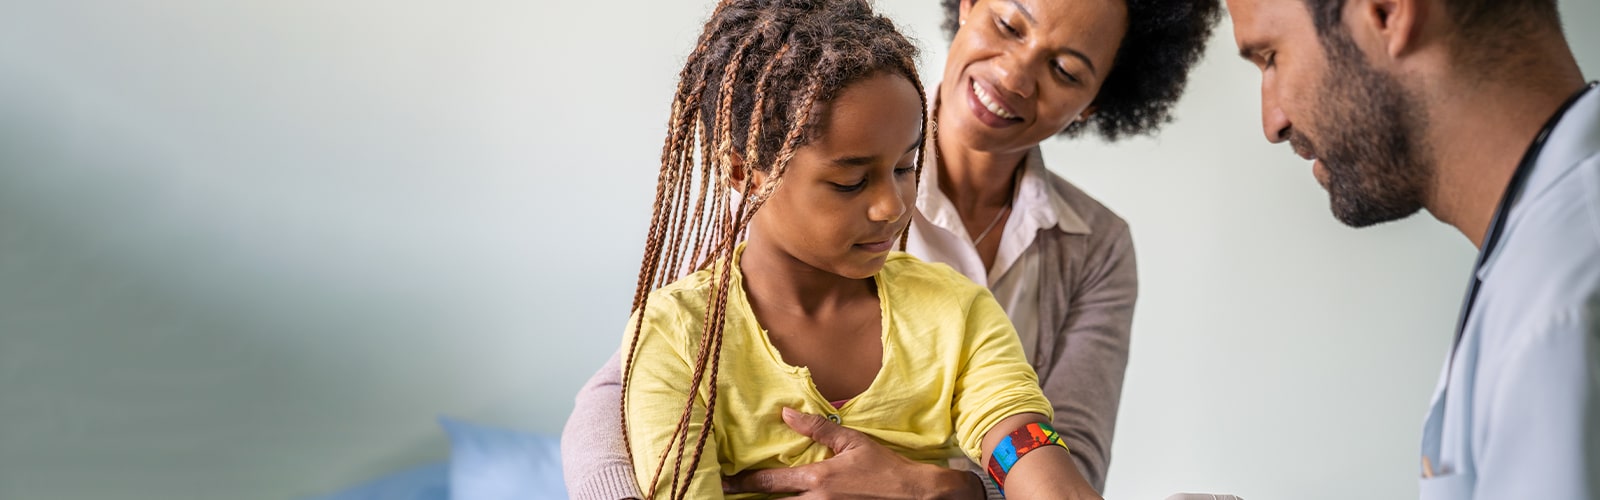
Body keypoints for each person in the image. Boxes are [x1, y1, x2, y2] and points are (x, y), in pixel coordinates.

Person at [564, 0, 1221, 498]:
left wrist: (928, 486)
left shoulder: (1018, 286)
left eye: (1065, 69)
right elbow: (628, 396)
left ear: (1094, 102)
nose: (1016, 75)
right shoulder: (810, 141)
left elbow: (1048, 451)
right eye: (1010, 24)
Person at [1224, 0, 1598, 497]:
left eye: (1271, 57)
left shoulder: (1560, 316)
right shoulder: (1544, 249)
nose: (1273, 124)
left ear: (1389, 12)